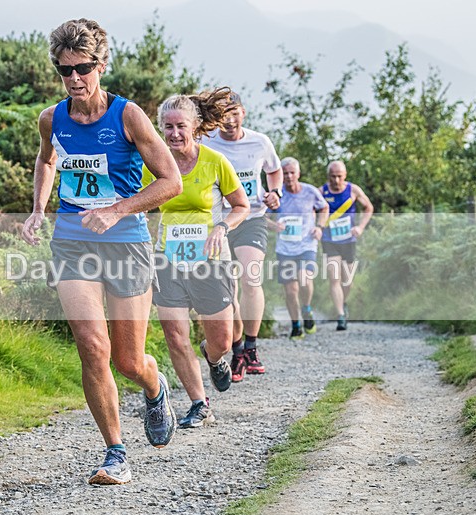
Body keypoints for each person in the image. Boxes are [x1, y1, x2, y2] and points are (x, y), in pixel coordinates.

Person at [21, 19, 182, 485]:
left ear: (101, 64)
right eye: (64, 70)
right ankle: (115, 453)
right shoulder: (52, 118)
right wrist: (37, 208)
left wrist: (117, 210)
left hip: (126, 241)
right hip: (72, 241)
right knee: (93, 348)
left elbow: (171, 181)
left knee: (128, 361)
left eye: (83, 68)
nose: (74, 79)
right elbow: (46, 159)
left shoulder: (128, 116)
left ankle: (154, 387)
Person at [143, 87, 250, 429]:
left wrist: (221, 226)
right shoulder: (155, 164)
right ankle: (198, 403)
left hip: (211, 260)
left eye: (180, 127)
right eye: (168, 127)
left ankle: (215, 357)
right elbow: (140, 204)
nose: (174, 134)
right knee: (175, 333)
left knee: (221, 338)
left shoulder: (215, 161)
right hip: (168, 259)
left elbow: (241, 206)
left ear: (195, 126)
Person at [201, 92, 282, 383]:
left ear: (243, 113)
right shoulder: (206, 141)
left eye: (234, 112)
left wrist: (276, 193)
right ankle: (236, 349)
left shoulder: (260, 142)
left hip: (252, 218)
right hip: (216, 224)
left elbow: (274, 170)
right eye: (223, 114)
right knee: (229, 293)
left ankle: (251, 346)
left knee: (251, 277)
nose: (229, 120)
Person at [268, 158, 328, 340]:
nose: (288, 176)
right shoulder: (276, 195)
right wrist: (274, 225)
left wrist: (319, 227)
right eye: (285, 173)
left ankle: (307, 309)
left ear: (298, 174)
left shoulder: (310, 191)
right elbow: (261, 218)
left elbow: (324, 207)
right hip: (285, 248)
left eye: (292, 172)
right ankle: (296, 326)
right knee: (290, 291)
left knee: (304, 279)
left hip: (306, 245)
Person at [320, 160, 374, 331]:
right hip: (329, 240)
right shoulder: (322, 192)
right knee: (334, 277)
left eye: (339, 176)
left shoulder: (354, 190)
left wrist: (360, 227)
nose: (336, 180)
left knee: (347, 280)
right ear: (328, 176)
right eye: (332, 177)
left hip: (348, 240)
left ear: (345, 175)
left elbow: (368, 208)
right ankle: (340, 316)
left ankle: (343, 302)